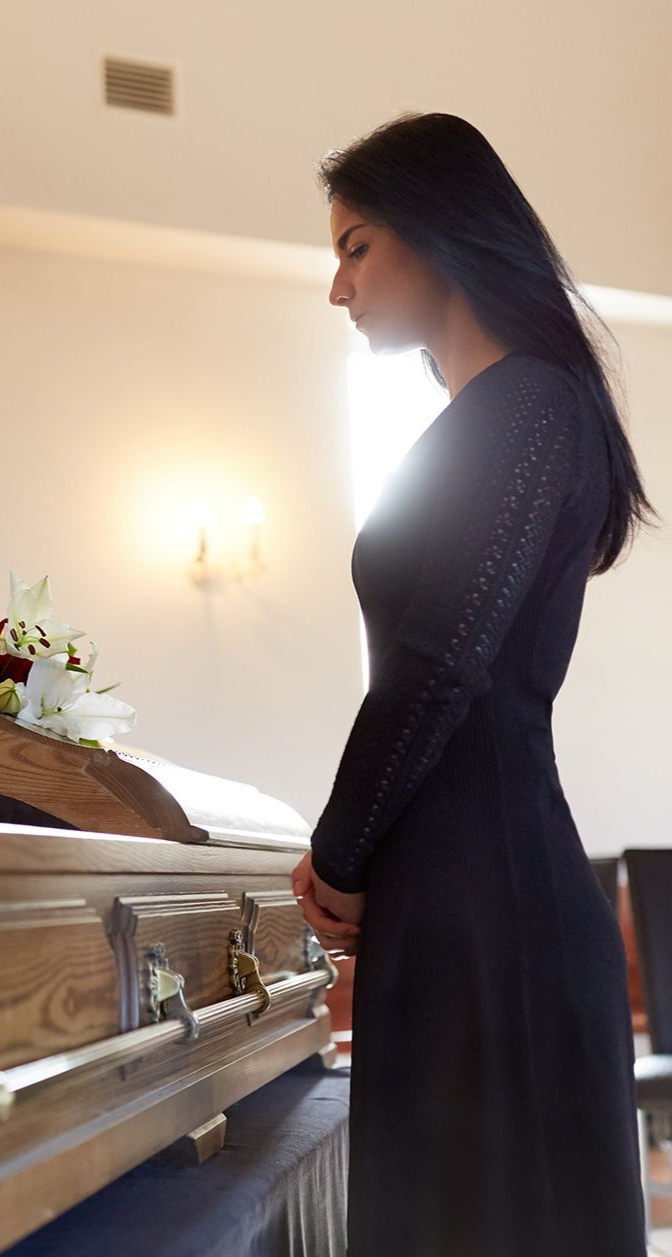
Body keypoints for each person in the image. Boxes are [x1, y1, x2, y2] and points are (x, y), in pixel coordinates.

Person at [291, 111, 659, 1257]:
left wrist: (341, 856)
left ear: (438, 233)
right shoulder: (482, 421)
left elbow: (441, 663)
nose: (337, 288)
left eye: (355, 246)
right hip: (453, 899)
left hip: (490, 907)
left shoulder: (533, 406)